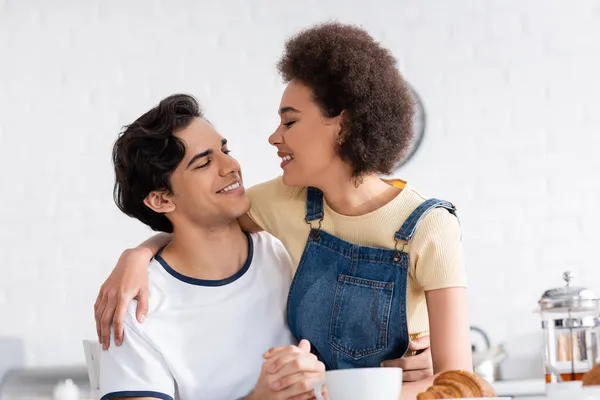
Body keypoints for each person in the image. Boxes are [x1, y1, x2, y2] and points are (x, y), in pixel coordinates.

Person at [95, 22, 473, 399]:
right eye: (204, 162)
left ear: (342, 124)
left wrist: (412, 381)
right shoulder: (284, 207)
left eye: (289, 121)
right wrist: (137, 256)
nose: (271, 138)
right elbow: (198, 229)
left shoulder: (420, 228)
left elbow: (458, 384)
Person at [97, 94, 325, 400]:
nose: (231, 165)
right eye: (204, 162)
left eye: (225, 149)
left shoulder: (289, 252)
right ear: (162, 199)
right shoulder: (135, 307)